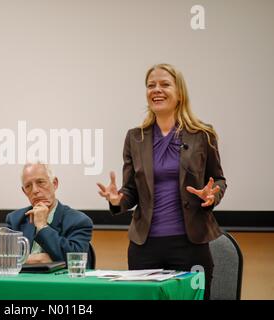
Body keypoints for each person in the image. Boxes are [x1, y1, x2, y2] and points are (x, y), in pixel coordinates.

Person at [97, 63, 226, 300]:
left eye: (165, 84)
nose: (157, 89)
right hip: (144, 247)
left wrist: (212, 195)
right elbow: (131, 190)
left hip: (190, 244)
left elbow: (217, 179)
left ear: (180, 93)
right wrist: (119, 199)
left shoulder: (202, 134)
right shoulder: (135, 137)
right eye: (151, 85)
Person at [6, 162, 94, 267]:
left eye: (40, 182)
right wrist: (41, 259)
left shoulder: (79, 221)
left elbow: (75, 261)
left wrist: (42, 226)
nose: (35, 190)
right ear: (24, 191)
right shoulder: (15, 220)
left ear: (55, 183)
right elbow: (0, 261)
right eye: (28, 186)